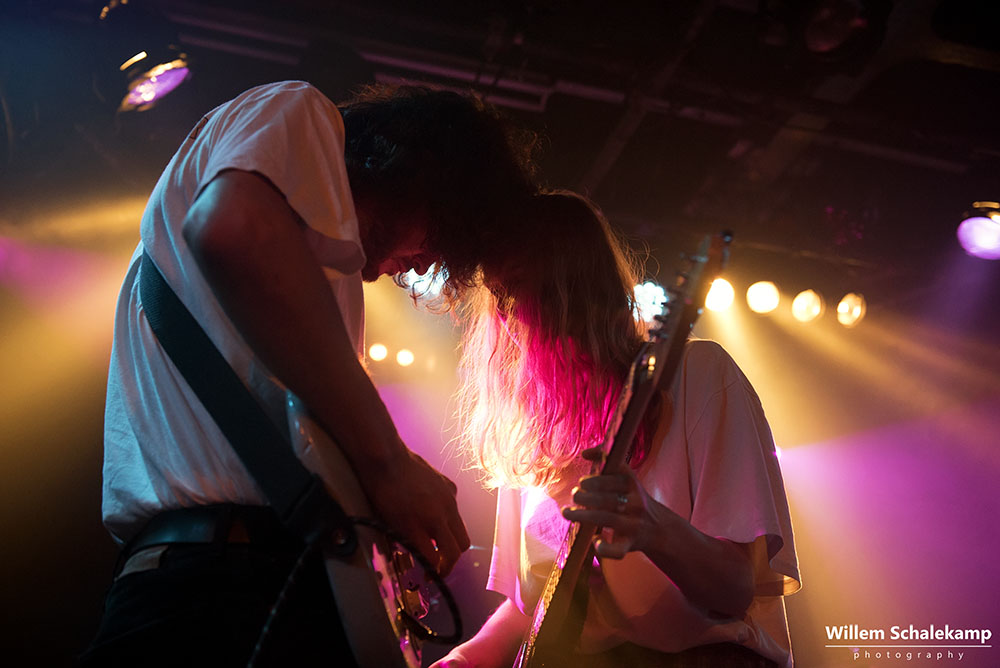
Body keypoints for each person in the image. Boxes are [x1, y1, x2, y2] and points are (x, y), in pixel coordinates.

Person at [80, 80, 536, 667]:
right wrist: (387, 462)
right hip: (220, 594)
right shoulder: (300, 110)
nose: (424, 266)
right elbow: (232, 226)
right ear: (429, 176)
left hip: (213, 583)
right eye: (443, 238)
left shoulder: (317, 267)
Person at [433, 191, 801, 668]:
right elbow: (534, 608)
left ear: (574, 287)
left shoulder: (697, 375)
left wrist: (651, 525)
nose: (508, 315)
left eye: (519, 286)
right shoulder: (529, 428)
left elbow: (735, 589)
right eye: (498, 295)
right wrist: (463, 658)